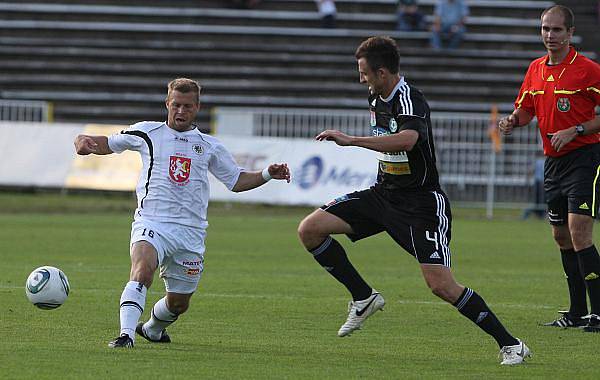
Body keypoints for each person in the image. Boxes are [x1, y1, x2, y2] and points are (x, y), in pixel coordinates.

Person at [297, 36, 531, 365]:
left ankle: (511, 344)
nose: (360, 78)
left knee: (441, 285)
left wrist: (351, 141)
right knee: (310, 229)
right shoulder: (375, 96)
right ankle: (364, 297)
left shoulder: (409, 98)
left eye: (364, 72)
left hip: (421, 205)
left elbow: (408, 140)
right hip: (383, 195)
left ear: (382, 73)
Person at [74, 78, 291, 348]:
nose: (180, 111)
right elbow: (106, 142)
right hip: (152, 222)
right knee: (142, 271)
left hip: (190, 232)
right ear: (167, 103)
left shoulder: (209, 145)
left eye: (187, 106)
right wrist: (83, 141)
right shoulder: (147, 133)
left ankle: (152, 329)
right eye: (176, 105)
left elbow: (236, 181)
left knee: (178, 303)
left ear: (197, 107)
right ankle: (125, 335)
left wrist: (268, 174)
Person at [498, 5, 600, 332]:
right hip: (552, 164)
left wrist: (578, 129)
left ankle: (597, 313)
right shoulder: (536, 69)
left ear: (570, 33)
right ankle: (575, 312)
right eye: (545, 29)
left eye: (557, 30)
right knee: (560, 236)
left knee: (579, 231)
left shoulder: (588, 70)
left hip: (585, 159)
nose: (550, 35)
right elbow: (526, 109)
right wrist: (513, 120)